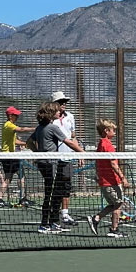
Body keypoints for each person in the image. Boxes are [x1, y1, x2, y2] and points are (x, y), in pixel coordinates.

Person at [27, 102, 84, 234]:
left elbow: (29, 142)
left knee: (54, 193)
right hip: (50, 164)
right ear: (51, 113)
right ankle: (44, 225)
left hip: (45, 163)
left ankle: (53, 223)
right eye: (57, 111)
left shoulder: (40, 128)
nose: (60, 113)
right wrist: (82, 153)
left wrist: (38, 153)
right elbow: (69, 142)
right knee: (50, 194)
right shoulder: (52, 127)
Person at [87, 120, 130, 238]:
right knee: (118, 204)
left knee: (114, 204)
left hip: (106, 181)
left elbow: (98, 163)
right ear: (106, 131)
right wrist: (123, 178)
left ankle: (96, 218)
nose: (115, 133)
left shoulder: (101, 144)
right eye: (113, 130)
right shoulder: (107, 145)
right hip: (111, 181)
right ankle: (113, 230)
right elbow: (113, 164)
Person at [50, 91, 81, 226]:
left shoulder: (70, 117)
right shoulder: (50, 119)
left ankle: (65, 214)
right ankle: (53, 214)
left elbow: (73, 136)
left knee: (66, 185)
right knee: (54, 187)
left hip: (68, 157)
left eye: (65, 102)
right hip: (53, 159)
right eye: (60, 102)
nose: (63, 104)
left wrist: (79, 153)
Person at [0, 106, 34, 208]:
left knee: (9, 178)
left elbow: (14, 141)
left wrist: (25, 144)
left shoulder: (8, 126)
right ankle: (22, 199)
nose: (17, 117)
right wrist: (36, 129)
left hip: (8, 156)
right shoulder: (9, 125)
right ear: (10, 116)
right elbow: (21, 129)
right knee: (20, 176)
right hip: (9, 156)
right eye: (16, 115)